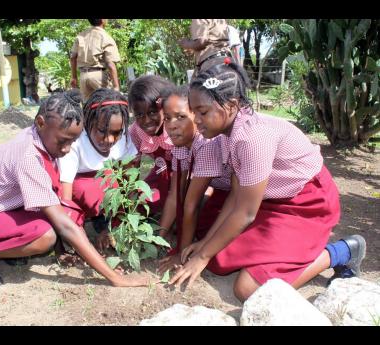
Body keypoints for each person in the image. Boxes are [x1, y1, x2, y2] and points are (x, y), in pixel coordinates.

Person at [167, 59, 366, 302]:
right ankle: (285, 254)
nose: (195, 120)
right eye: (194, 111)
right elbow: (237, 196)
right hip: (272, 201)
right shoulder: (229, 132)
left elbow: (246, 213)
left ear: (230, 106)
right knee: (218, 259)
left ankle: (341, 251)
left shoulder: (252, 138)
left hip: (308, 203)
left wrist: (202, 256)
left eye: (202, 112)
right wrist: (207, 245)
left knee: (248, 290)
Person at [0, 89, 149, 289]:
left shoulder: (44, 141)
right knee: (44, 237)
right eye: (63, 142)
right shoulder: (28, 156)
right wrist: (115, 278)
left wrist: (62, 250)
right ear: (40, 122)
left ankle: (6, 250)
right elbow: (64, 226)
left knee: (59, 216)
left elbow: (58, 204)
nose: (66, 150)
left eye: (72, 142)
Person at [154, 85, 224, 271]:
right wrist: (156, 237)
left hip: (239, 197)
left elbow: (190, 204)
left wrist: (181, 253)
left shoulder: (206, 143)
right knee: (196, 226)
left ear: (197, 116)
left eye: (181, 117)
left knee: (218, 252)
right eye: (167, 118)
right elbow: (175, 195)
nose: (171, 125)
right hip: (223, 194)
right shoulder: (180, 144)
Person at [58, 88, 137, 252]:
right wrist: (77, 239)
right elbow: (65, 197)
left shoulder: (125, 139)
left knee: (123, 187)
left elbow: (130, 182)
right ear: (88, 121)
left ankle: (103, 224)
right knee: (91, 189)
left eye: (117, 132)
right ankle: (87, 222)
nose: (109, 139)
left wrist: (117, 227)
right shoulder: (76, 143)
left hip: (107, 191)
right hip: (78, 192)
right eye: (102, 130)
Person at [128, 75, 175, 216]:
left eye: (153, 112)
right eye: (139, 115)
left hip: (179, 173)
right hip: (155, 168)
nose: (146, 120)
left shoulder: (175, 127)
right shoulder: (135, 131)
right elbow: (139, 162)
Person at [70, 19, 121, 101]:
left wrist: (74, 77)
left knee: (88, 108)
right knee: (106, 106)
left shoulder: (81, 36)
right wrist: (116, 86)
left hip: (83, 76)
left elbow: (73, 58)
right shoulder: (105, 36)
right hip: (98, 76)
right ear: (102, 20)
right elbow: (110, 63)